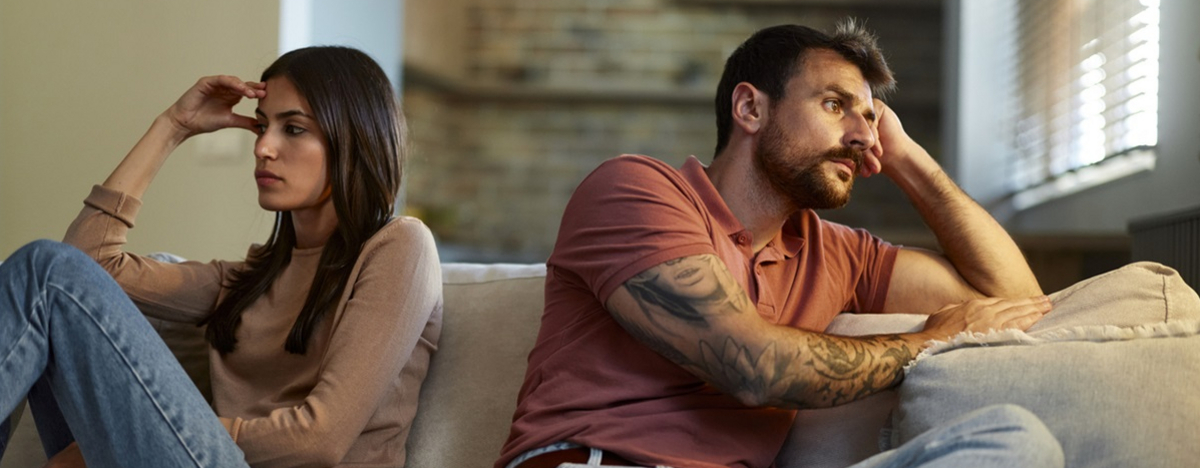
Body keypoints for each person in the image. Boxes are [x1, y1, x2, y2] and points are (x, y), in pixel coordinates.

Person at [495, 21, 1064, 468]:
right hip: (597, 463)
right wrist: (929, 342)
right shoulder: (635, 190)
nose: (862, 135)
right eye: (835, 105)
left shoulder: (838, 253)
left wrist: (907, 158)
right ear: (750, 109)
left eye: (870, 121)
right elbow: (752, 367)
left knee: (1015, 442)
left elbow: (1019, 300)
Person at [0, 46, 442, 467]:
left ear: (354, 139)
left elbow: (318, 440)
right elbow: (83, 264)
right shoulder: (250, 279)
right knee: (44, 269)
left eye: (293, 128)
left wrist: (151, 433)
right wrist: (172, 126)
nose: (263, 147)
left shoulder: (400, 246)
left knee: (46, 267)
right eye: (261, 125)